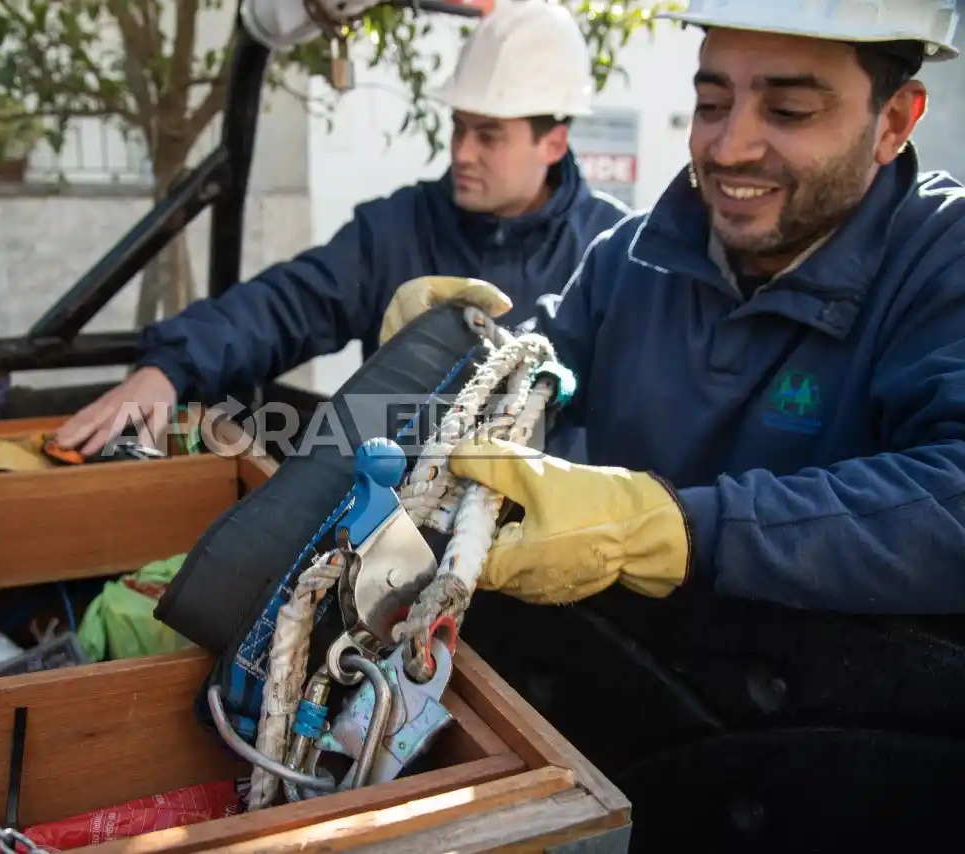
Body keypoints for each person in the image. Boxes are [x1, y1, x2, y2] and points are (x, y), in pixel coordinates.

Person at [381, 0, 965, 849]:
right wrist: (465, 356)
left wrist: (678, 528)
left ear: (895, 120)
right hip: (627, 729)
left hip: (845, 768)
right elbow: (551, 361)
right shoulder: (632, 257)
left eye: (790, 110)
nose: (729, 147)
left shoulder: (943, 264)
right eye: (713, 101)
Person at [55, 0, 631, 456]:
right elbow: (284, 305)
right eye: (458, 128)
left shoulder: (613, 255)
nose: (462, 152)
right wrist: (168, 369)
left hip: (545, 559)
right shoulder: (398, 230)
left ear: (553, 142)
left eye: (488, 135)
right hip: (393, 533)